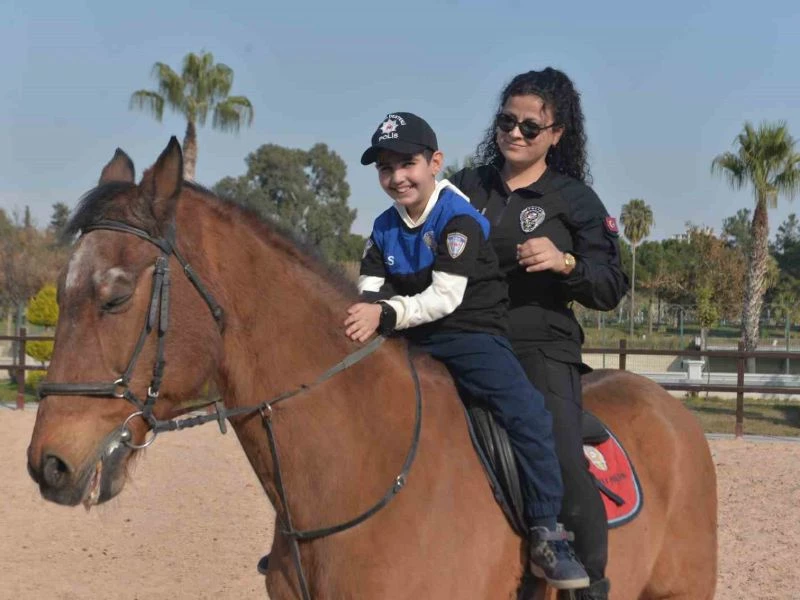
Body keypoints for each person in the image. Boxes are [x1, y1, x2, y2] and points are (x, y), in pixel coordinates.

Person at [344, 111, 589, 590]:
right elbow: (370, 291)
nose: (397, 177)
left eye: (407, 164)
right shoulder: (382, 227)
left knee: (529, 414)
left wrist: (383, 314)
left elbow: (444, 298)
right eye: (386, 168)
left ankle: (547, 532)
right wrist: (368, 314)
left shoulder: (457, 218)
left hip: (469, 334)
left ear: (435, 163)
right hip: (409, 336)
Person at [449, 68, 629, 600]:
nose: (516, 133)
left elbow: (610, 285)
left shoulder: (574, 200)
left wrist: (564, 262)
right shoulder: (464, 187)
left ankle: (588, 586)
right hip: (459, 336)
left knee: (562, 458)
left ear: (556, 134)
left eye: (531, 126)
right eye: (507, 121)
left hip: (538, 346)